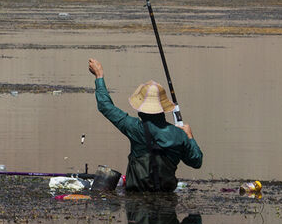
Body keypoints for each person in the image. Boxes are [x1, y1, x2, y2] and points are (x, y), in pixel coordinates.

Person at [87, 58, 202, 193]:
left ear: (141, 108)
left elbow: (105, 106)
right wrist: (189, 137)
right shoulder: (179, 134)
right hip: (168, 203)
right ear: (163, 108)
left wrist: (99, 76)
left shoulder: (135, 128)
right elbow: (196, 162)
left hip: (136, 203)